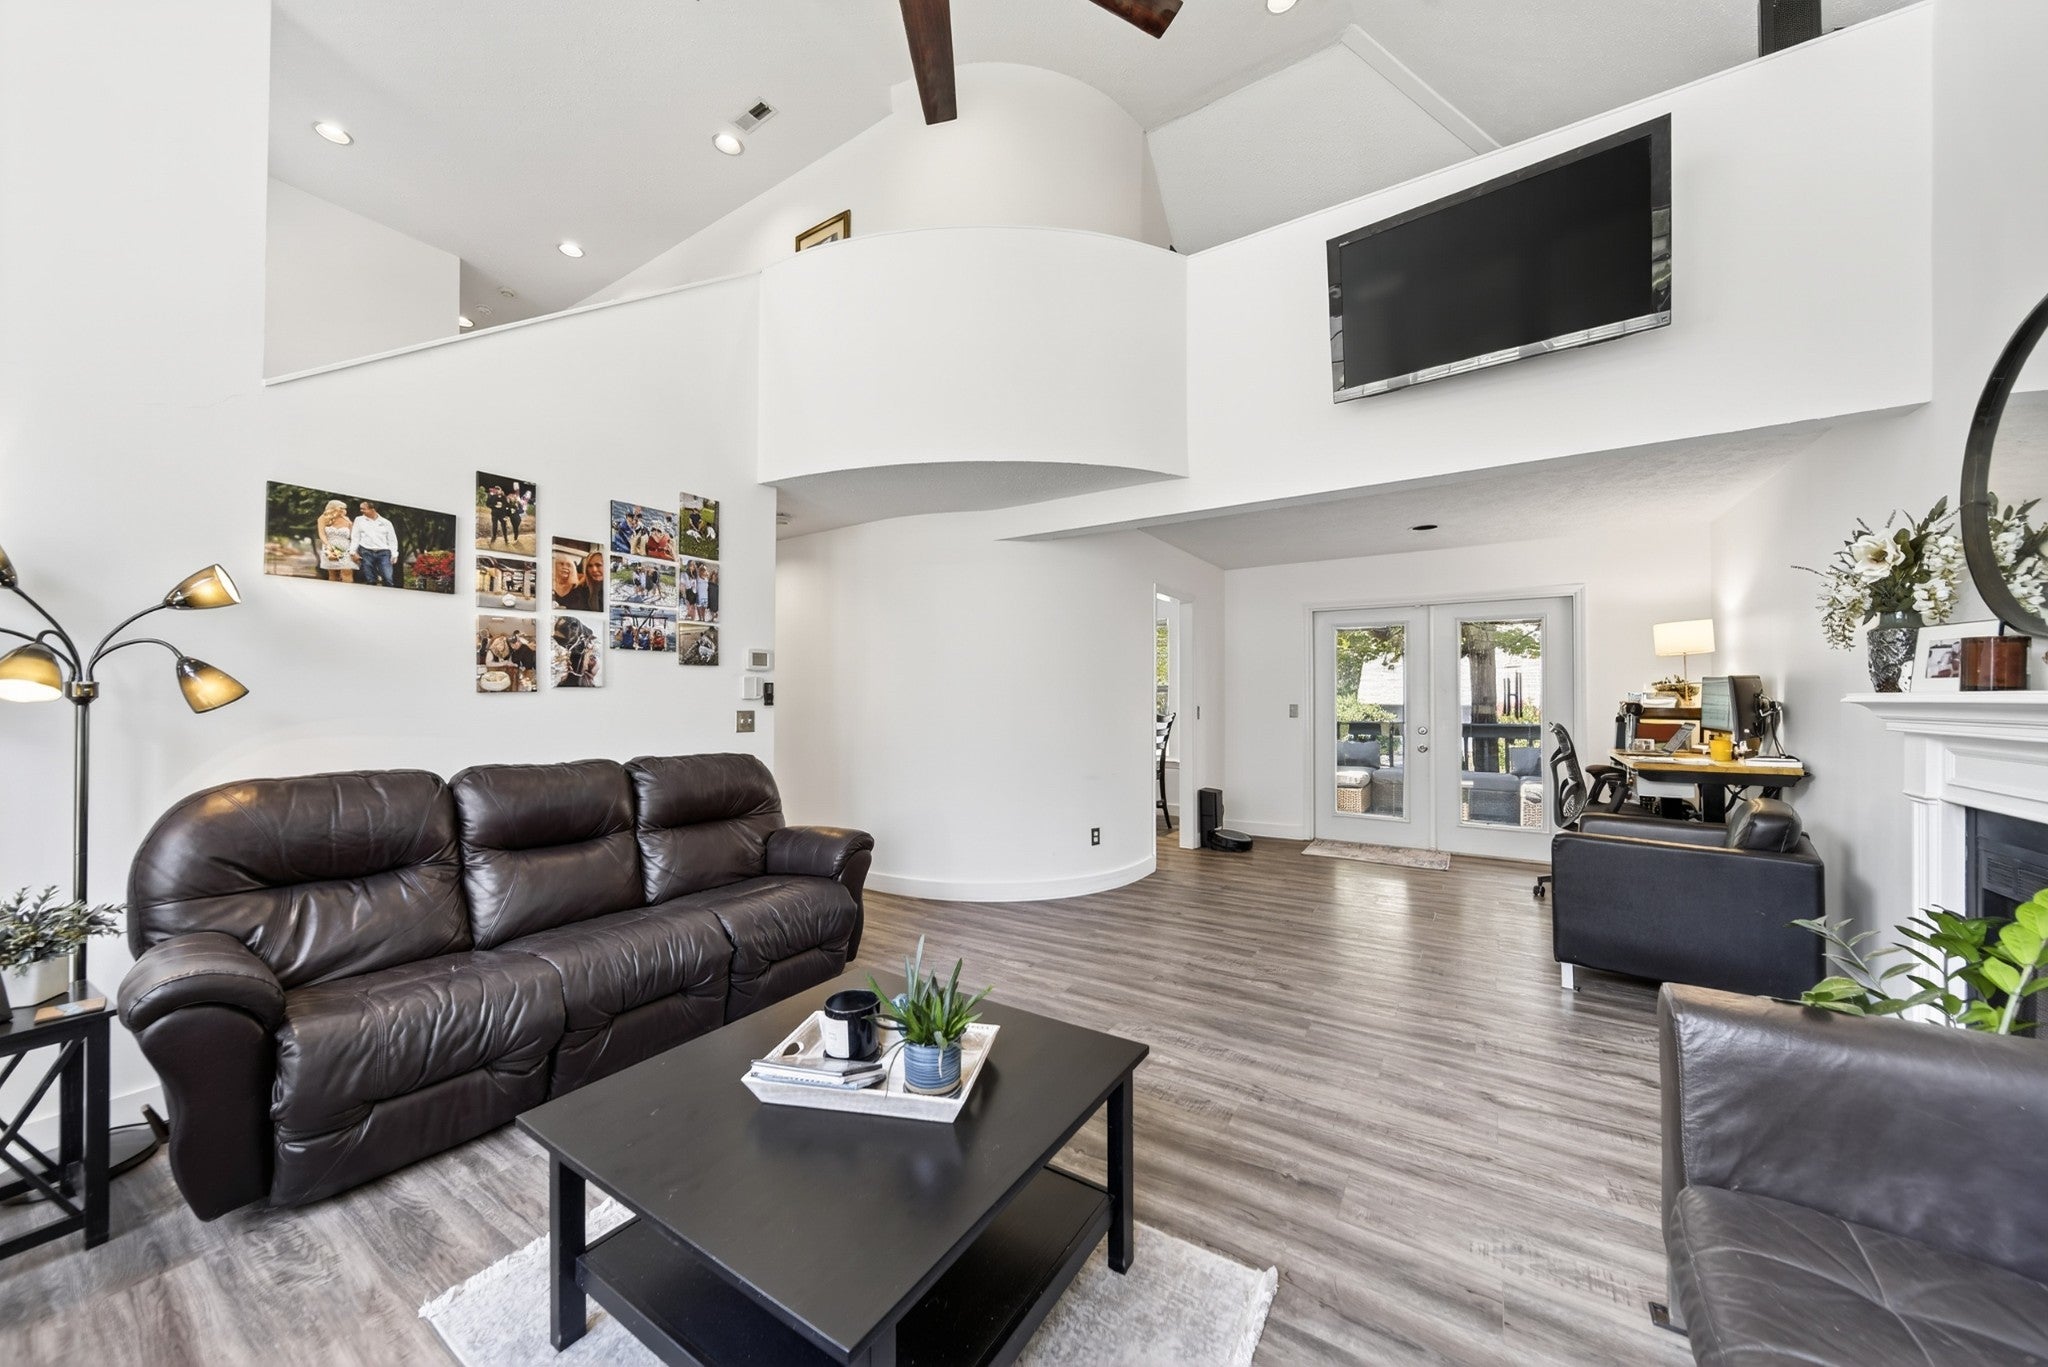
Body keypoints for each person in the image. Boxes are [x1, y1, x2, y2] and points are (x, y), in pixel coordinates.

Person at [351, 500, 400, 587]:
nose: (361, 510)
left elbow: (392, 540)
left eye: (363, 509)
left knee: (388, 578)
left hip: (384, 552)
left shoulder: (386, 522)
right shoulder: (359, 520)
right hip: (366, 551)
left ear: (372, 509)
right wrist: (352, 552)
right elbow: (355, 537)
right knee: (370, 580)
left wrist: (394, 554)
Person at [315, 499, 356, 582]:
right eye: (341, 508)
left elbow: (353, 536)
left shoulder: (346, 519)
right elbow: (322, 534)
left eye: (344, 508)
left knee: (347, 571)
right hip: (330, 546)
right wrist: (328, 546)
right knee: (333, 574)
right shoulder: (323, 518)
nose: (343, 510)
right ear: (333, 508)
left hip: (345, 547)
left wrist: (351, 524)